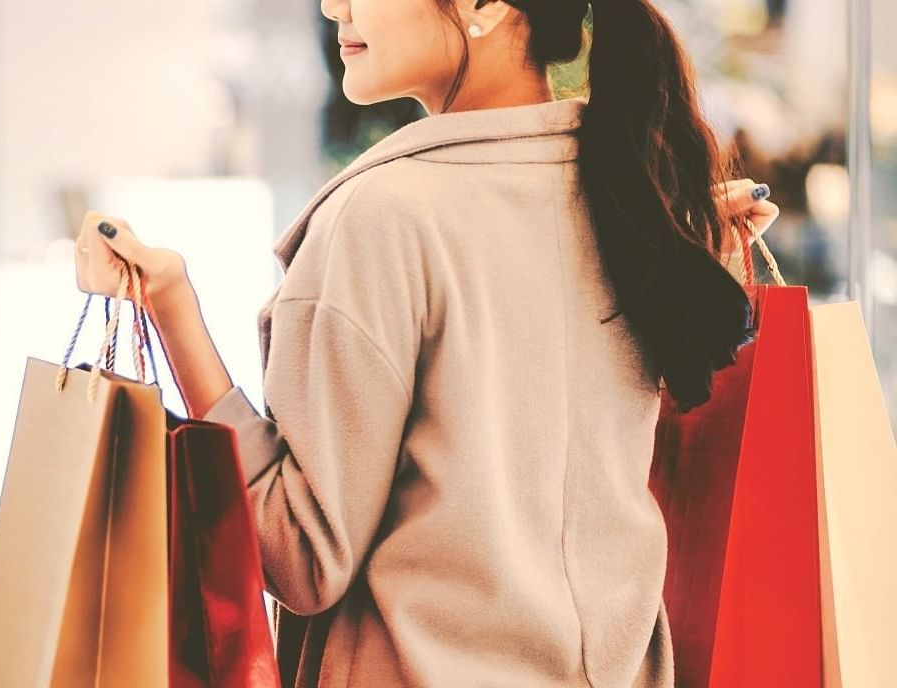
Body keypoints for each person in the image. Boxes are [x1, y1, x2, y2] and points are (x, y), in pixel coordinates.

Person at [75, 0, 780, 686]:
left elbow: (300, 555)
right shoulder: (631, 202)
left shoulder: (381, 219)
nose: (332, 8)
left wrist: (173, 310)